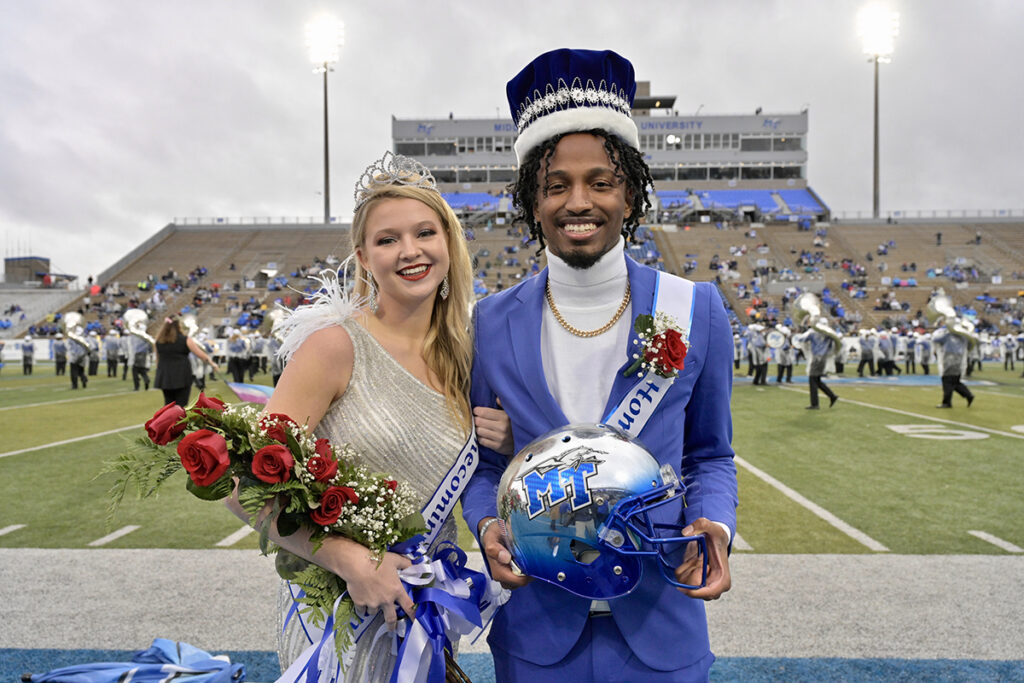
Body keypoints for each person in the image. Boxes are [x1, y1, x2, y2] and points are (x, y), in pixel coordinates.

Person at [462, 49, 736, 682]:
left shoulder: (694, 308)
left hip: (662, 619)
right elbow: (483, 466)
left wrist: (716, 525)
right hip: (536, 628)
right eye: (557, 185)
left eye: (600, 182)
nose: (577, 201)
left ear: (630, 193)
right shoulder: (490, 321)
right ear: (533, 201)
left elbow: (711, 455)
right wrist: (485, 525)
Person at [225, 152, 511, 681]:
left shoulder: (469, 357)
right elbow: (241, 490)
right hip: (336, 622)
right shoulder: (334, 347)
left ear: (448, 241)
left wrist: (509, 441)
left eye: (425, 232)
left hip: (422, 612)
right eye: (387, 239)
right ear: (363, 256)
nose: (410, 251)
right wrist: (350, 561)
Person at [153, 315, 220, 408]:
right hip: (181, 375)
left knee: (168, 405)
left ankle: (169, 422)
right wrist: (212, 363)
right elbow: (200, 354)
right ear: (179, 326)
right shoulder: (185, 339)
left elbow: (157, 359)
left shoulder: (158, 340)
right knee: (181, 405)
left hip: (165, 376)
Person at [795, 318, 839, 409]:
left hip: (816, 357)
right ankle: (832, 396)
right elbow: (834, 344)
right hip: (824, 357)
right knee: (817, 380)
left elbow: (801, 339)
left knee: (812, 379)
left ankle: (815, 404)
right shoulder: (829, 334)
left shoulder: (813, 333)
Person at [933, 321, 974, 408]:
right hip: (960, 359)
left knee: (946, 380)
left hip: (949, 358)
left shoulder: (948, 335)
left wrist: (944, 331)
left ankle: (947, 402)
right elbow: (970, 344)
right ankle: (968, 394)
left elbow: (936, 339)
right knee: (955, 381)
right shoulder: (963, 336)